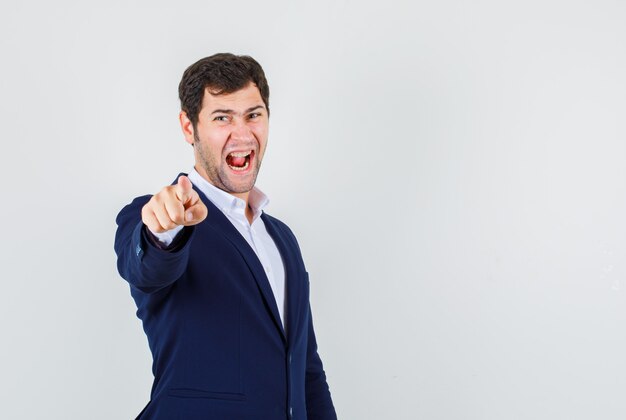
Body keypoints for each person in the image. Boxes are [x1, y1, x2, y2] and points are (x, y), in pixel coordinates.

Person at [114, 53, 337, 420]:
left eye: (254, 115)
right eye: (222, 118)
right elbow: (147, 268)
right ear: (189, 127)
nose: (243, 133)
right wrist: (162, 231)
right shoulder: (160, 217)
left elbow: (306, 368)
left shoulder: (282, 238)